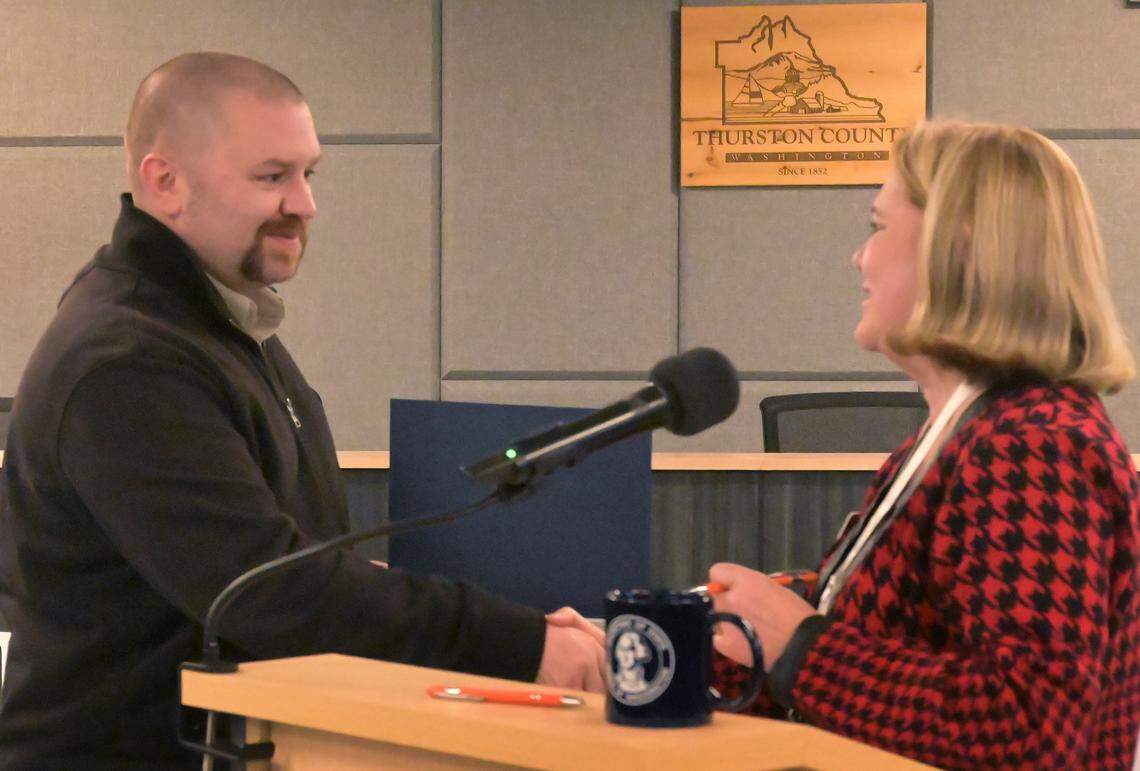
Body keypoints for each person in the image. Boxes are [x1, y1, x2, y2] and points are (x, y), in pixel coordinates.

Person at [0, 52, 603, 769]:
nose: (305, 203)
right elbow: (271, 591)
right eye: (271, 176)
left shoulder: (218, 326)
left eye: (308, 173)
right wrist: (520, 644)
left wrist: (518, 626)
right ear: (165, 182)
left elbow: (299, 552)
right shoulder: (127, 361)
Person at [708, 121, 1140, 769]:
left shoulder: (1034, 446)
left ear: (956, 248)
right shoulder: (963, 435)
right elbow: (896, 634)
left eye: (878, 225)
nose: (860, 257)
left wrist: (801, 644)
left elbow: (1026, 729)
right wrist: (671, 638)